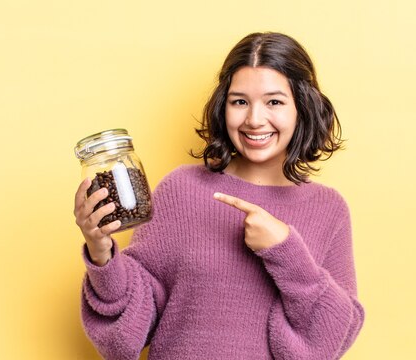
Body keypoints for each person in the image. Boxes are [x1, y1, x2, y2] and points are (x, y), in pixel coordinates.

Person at [73, 32, 364, 360]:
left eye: (274, 102)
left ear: (302, 106)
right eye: (239, 101)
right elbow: (126, 332)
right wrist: (101, 252)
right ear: (222, 106)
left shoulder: (328, 209)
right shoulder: (180, 190)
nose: (254, 119)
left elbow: (331, 342)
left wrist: (286, 252)